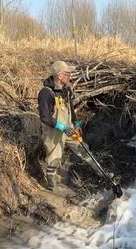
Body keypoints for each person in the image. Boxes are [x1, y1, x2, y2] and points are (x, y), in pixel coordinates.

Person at [37, 60, 111, 191]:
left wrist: (77, 124)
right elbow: (44, 117)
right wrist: (63, 128)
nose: (70, 76)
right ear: (59, 76)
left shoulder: (66, 90)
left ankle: (103, 173)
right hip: (54, 132)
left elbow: (71, 109)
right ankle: (51, 185)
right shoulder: (45, 93)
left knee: (84, 149)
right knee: (54, 159)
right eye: (67, 73)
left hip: (69, 129)